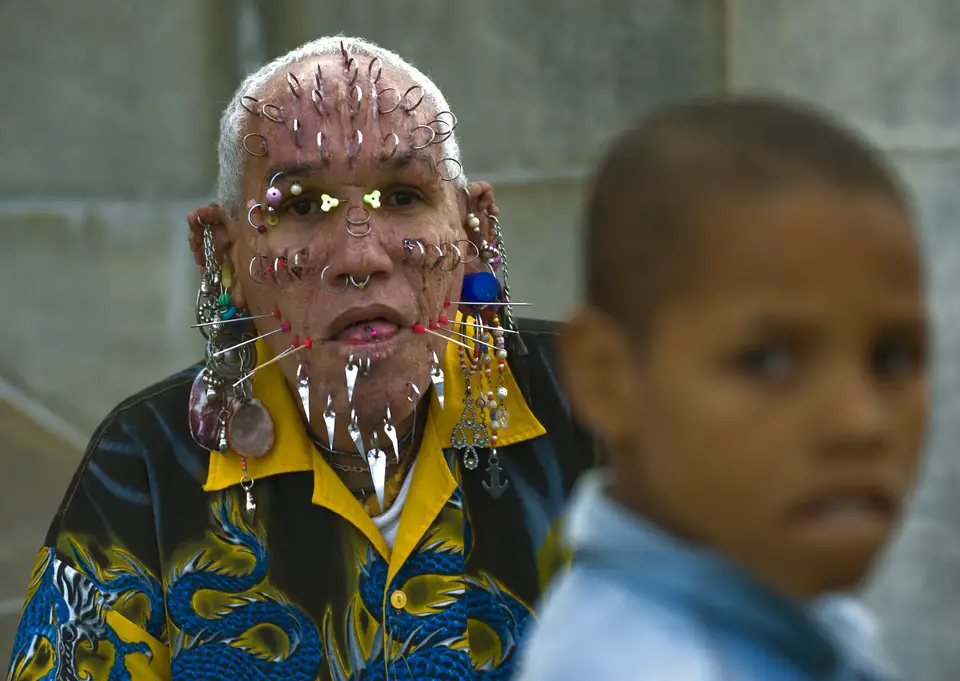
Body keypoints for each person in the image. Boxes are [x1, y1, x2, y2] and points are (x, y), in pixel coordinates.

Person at [6, 34, 595, 681]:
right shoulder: (146, 463)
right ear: (222, 256)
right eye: (303, 206)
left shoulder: (601, 407)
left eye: (401, 196)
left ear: (474, 226)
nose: (360, 256)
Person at [514, 97, 930, 681]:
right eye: (769, 361)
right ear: (606, 380)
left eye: (892, 358)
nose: (861, 422)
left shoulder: (773, 594)